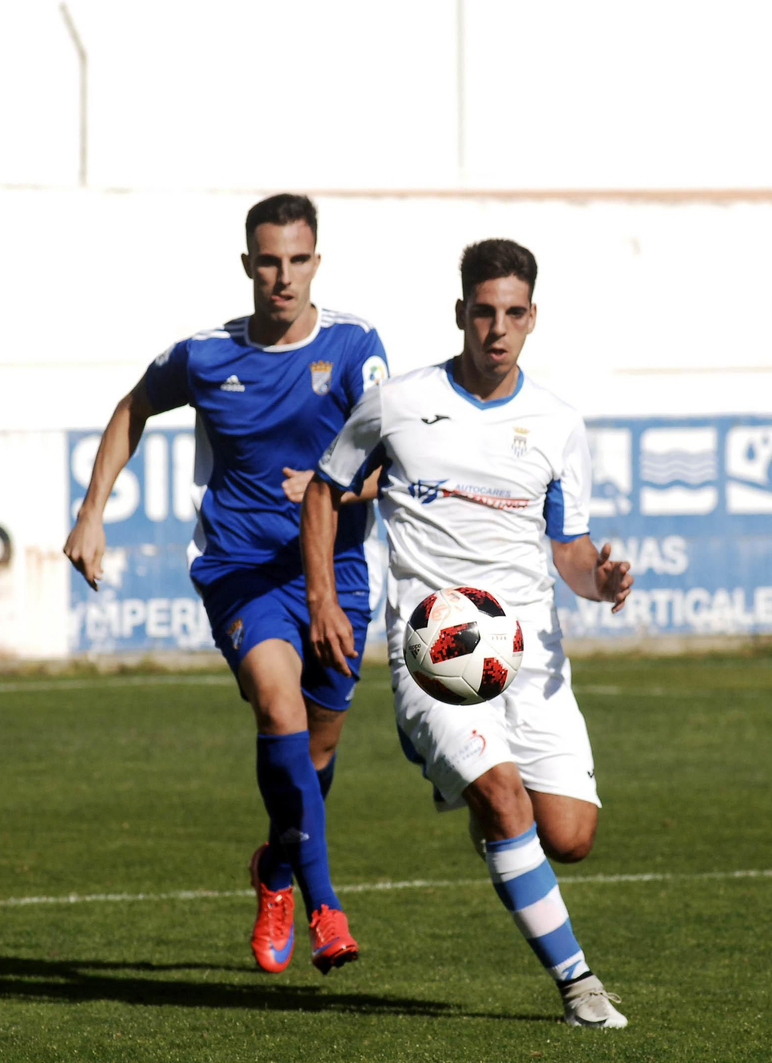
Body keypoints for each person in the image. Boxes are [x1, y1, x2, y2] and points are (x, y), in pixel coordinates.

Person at [302, 238, 634, 1027]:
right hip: (435, 652)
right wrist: (322, 593)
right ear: (461, 313)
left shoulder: (557, 422)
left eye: (513, 313)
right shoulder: (397, 403)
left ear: (532, 318)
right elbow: (324, 489)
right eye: (483, 312)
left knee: (572, 835)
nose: (497, 328)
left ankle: (499, 825)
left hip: (531, 654)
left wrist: (602, 581)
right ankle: (580, 984)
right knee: (503, 793)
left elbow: (571, 550)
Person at [63, 194, 388, 975]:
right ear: (248, 265)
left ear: (317, 263)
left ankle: (275, 866)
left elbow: (387, 457)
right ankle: (321, 905)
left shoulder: (354, 347)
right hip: (240, 568)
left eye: (298, 261)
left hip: (335, 569)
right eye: (269, 261)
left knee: (317, 749)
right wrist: (91, 512)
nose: (284, 277)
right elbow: (132, 407)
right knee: (276, 703)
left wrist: (335, 487)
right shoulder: (205, 356)